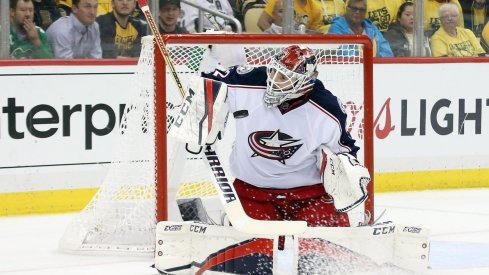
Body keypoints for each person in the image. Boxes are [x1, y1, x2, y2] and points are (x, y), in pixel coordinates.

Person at [198, 45, 370, 228]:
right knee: (251, 252)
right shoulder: (249, 81)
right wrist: (212, 52)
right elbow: (206, 81)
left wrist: (349, 170)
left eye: (282, 77)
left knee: (326, 252)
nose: (272, 80)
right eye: (273, 72)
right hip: (252, 194)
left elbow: (345, 150)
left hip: (311, 197)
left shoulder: (328, 109)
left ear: (305, 81)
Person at [328, 0, 393, 57]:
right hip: (348, 69)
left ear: (365, 12)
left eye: (361, 10)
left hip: (375, 68)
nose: (357, 12)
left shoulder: (371, 27)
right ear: (347, 9)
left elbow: (387, 52)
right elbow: (343, 54)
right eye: (354, 8)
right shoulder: (336, 28)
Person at [257, 0, 328, 33]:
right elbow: (262, 22)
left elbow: (311, 32)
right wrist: (279, 40)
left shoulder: (316, 8)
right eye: (281, 11)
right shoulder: (279, 1)